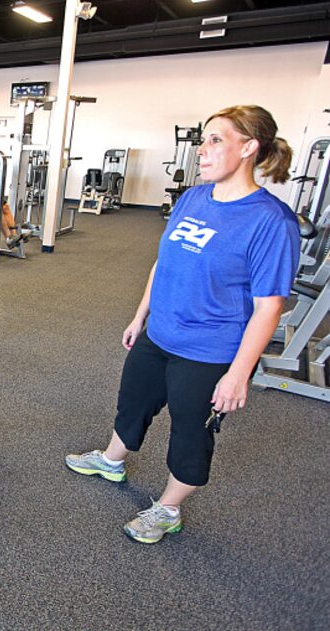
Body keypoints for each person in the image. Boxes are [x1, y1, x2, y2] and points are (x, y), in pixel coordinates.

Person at [65, 105, 300, 543]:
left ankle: (169, 507)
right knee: (133, 401)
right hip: (161, 332)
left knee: (190, 432)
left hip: (211, 349)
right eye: (203, 139)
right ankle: (112, 460)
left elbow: (269, 308)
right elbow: (164, 262)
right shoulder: (194, 197)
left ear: (249, 148)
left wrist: (237, 375)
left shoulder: (270, 221)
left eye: (216, 140)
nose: (202, 150)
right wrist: (141, 316)